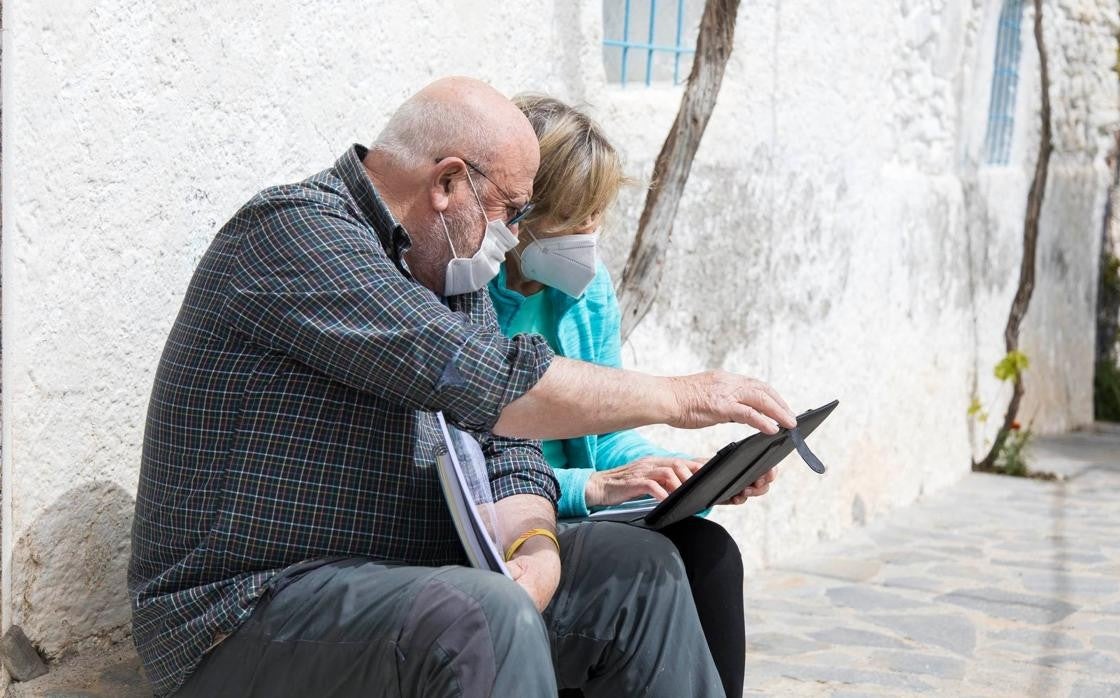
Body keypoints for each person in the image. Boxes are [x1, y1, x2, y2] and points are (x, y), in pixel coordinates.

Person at [128, 76, 795, 698]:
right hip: (241, 612)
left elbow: (509, 445)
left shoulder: (450, 273)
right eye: (508, 210)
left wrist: (533, 546)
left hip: (403, 580)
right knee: (483, 616)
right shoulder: (296, 233)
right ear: (448, 181)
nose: (508, 239)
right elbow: (491, 384)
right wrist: (684, 398)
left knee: (642, 573)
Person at [489, 93, 772, 698]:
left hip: (593, 508)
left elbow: (608, 428)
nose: (592, 234)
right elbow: (469, 457)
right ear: (522, 215)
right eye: (577, 217)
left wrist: (675, 476)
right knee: (649, 569)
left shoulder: (588, 294)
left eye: (598, 215)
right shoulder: (469, 301)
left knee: (712, 551)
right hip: (524, 521)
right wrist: (590, 487)